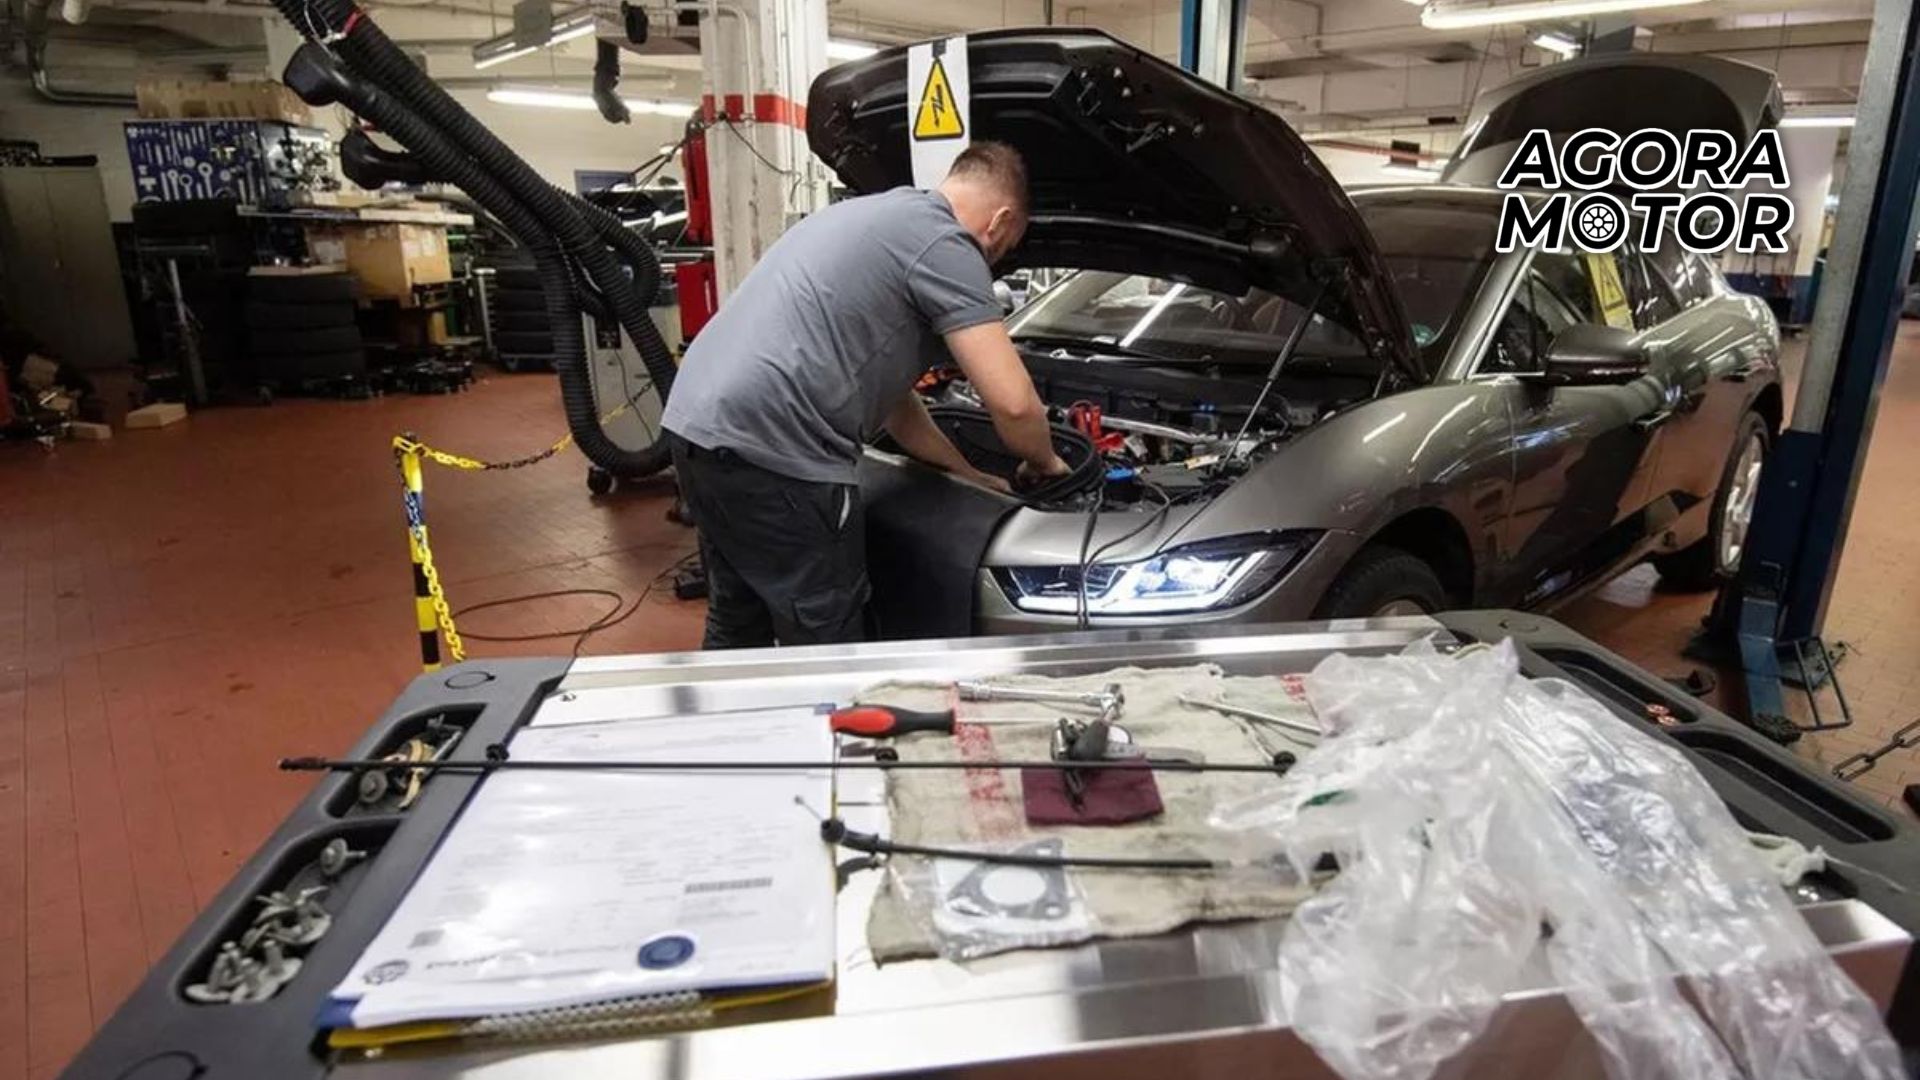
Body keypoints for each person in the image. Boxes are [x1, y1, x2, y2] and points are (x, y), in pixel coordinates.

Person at [661, 141, 1070, 649]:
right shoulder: (946, 242)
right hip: (779, 450)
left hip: (695, 429)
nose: (997, 259)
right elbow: (1014, 403)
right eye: (1006, 248)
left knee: (738, 617)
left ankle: (730, 703)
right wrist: (1046, 462)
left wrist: (965, 473)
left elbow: (896, 405)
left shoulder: (871, 214)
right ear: (1002, 219)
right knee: (826, 633)